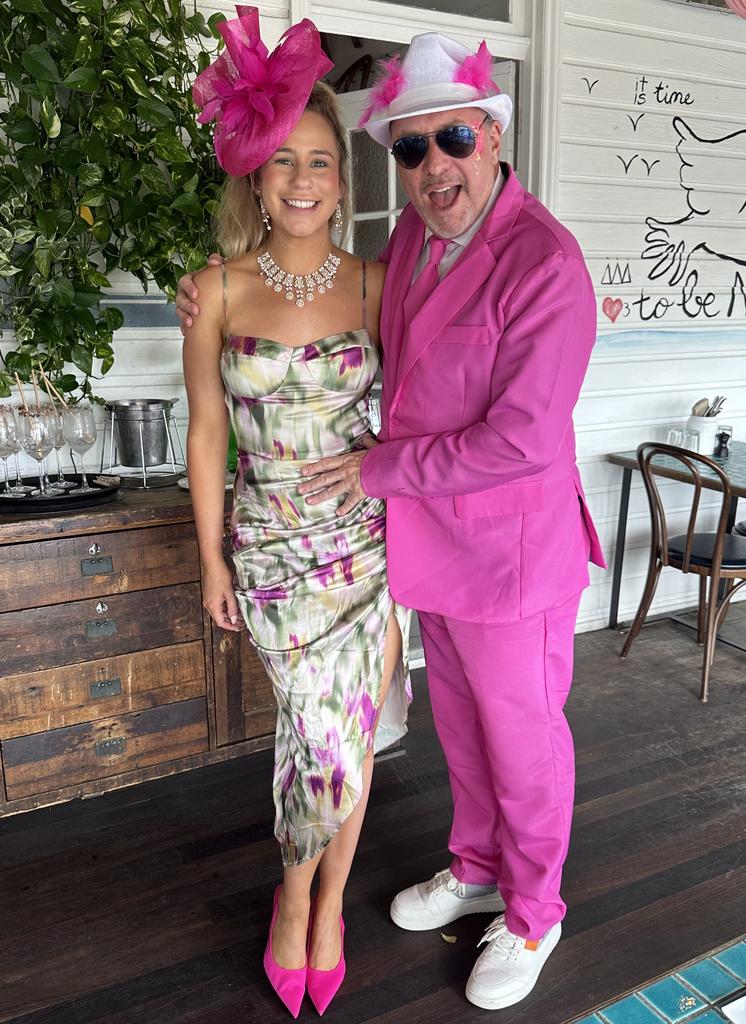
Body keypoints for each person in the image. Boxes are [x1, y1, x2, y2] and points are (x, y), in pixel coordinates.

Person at [178, 30, 606, 1013]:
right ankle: (476, 864)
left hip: (508, 556)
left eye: (452, 139)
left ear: (493, 135)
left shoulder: (546, 261)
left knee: (524, 740)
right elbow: (314, 320)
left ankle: (535, 911)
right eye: (410, 150)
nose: (433, 167)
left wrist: (373, 468)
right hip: (419, 547)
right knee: (459, 728)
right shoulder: (410, 242)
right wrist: (209, 287)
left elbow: (523, 440)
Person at [182, 9, 410, 1018]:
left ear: (341, 176)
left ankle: (318, 908)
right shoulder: (216, 291)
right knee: (315, 727)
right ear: (255, 177)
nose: (304, 180)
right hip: (269, 545)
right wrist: (210, 563)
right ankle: (297, 894)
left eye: (320, 161)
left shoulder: (378, 281)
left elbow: (419, 412)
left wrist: (379, 461)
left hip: (367, 546)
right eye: (284, 164)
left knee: (347, 734)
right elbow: (204, 436)